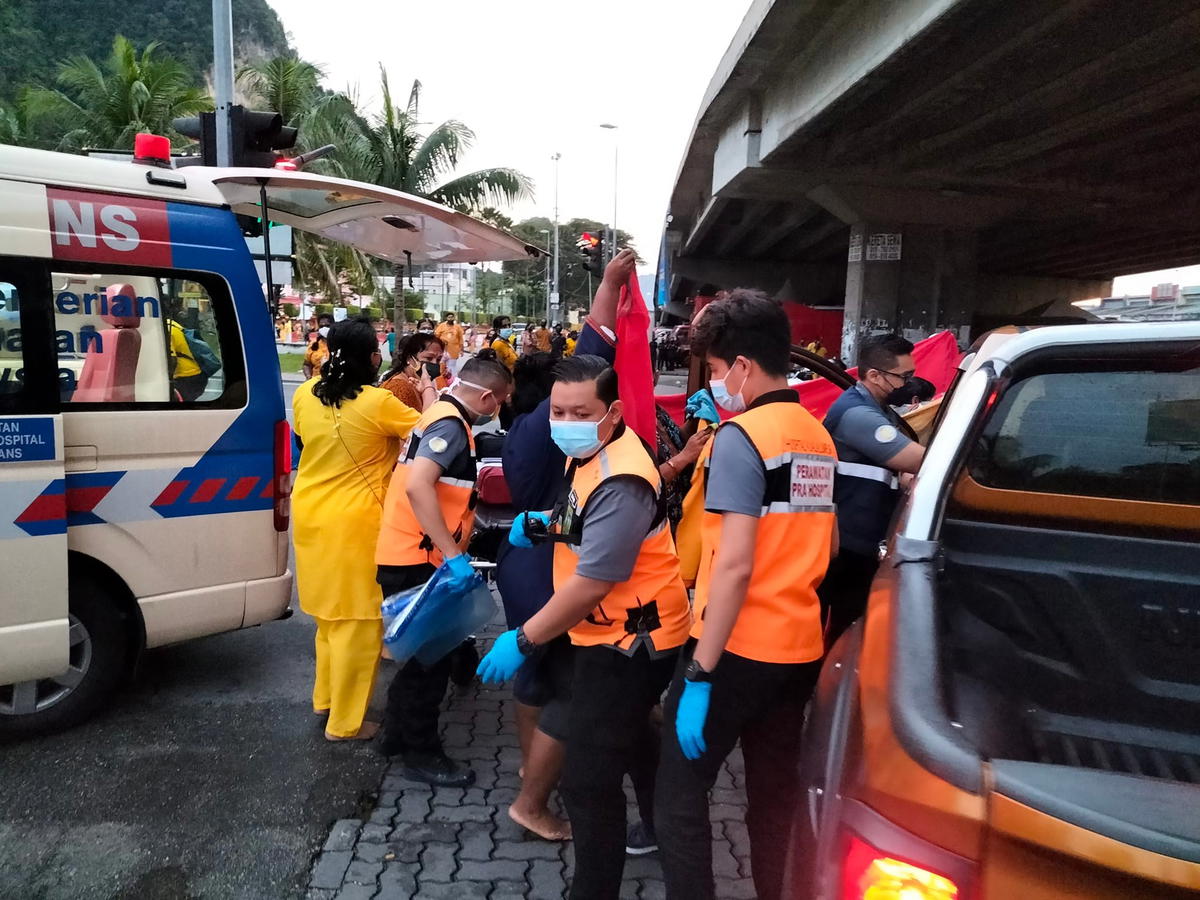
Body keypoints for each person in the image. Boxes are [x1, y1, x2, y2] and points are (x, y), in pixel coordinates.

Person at [479, 354, 691, 900]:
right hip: (606, 632)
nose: (566, 422)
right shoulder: (591, 455)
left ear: (613, 412)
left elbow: (594, 580)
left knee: (588, 783)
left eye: (581, 411)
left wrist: (523, 638)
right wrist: (543, 525)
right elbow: (581, 518)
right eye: (559, 411)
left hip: (631, 642)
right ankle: (668, 834)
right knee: (641, 742)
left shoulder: (624, 476)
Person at [655, 291, 839, 900]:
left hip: (732, 651)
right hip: (797, 650)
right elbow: (830, 546)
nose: (713, 383)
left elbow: (732, 565)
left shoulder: (741, 438)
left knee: (680, 794)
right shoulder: (817, 436)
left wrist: (701, 671)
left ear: (740, 367)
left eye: (712, 370)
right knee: (773, 797)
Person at [492, 250, 633, 846]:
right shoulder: (570, 432)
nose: (571, 414)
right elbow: (596, 349)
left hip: (524, 559)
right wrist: (606, 283)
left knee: (533, 678)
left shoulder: (522, 431)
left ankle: (532, 768)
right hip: (558, 571)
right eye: (565, 403)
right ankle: (536, 796)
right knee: (564, 685)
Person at [375, 357, 513, 785]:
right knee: (429, 666)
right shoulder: (451, 427)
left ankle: (394, 736)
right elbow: (419, 486)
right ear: (488, 397)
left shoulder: (439, 412)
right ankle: (422, 754)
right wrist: (453, 555)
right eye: (501, 402)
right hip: (418, 560)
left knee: (419, 658)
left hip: (407, 555)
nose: (499, 410)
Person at [292, 317, 421, 741]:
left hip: (311, 514)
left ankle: (326, 699)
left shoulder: (304, 394)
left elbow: (304, 438)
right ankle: (345, 723)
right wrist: (433, 392)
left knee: (329, 619)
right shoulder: (377, 402)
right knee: (361, 625)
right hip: (357, 522)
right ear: (371, 356)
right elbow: (426, 429)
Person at [818, 333, 925, 647]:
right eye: (904, 377)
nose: (910, 384)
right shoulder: (857, 414)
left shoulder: (880, 410)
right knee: (842, 634)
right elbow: (916, 459)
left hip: (863, 542)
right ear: (874, 376)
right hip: (848, 546)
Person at [379, 333, 446, 412]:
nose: (434, 364)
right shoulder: (399, 388)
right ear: (409, 359)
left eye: (438, 360)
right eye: (429, 358)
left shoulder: (418, 384)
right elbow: (427, 421)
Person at [167, 316, 208, 401]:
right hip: (198, 375)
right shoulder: (171, 323)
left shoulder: (165, 330)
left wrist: (166, 382)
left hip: (187, 379)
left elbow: (172, 361)